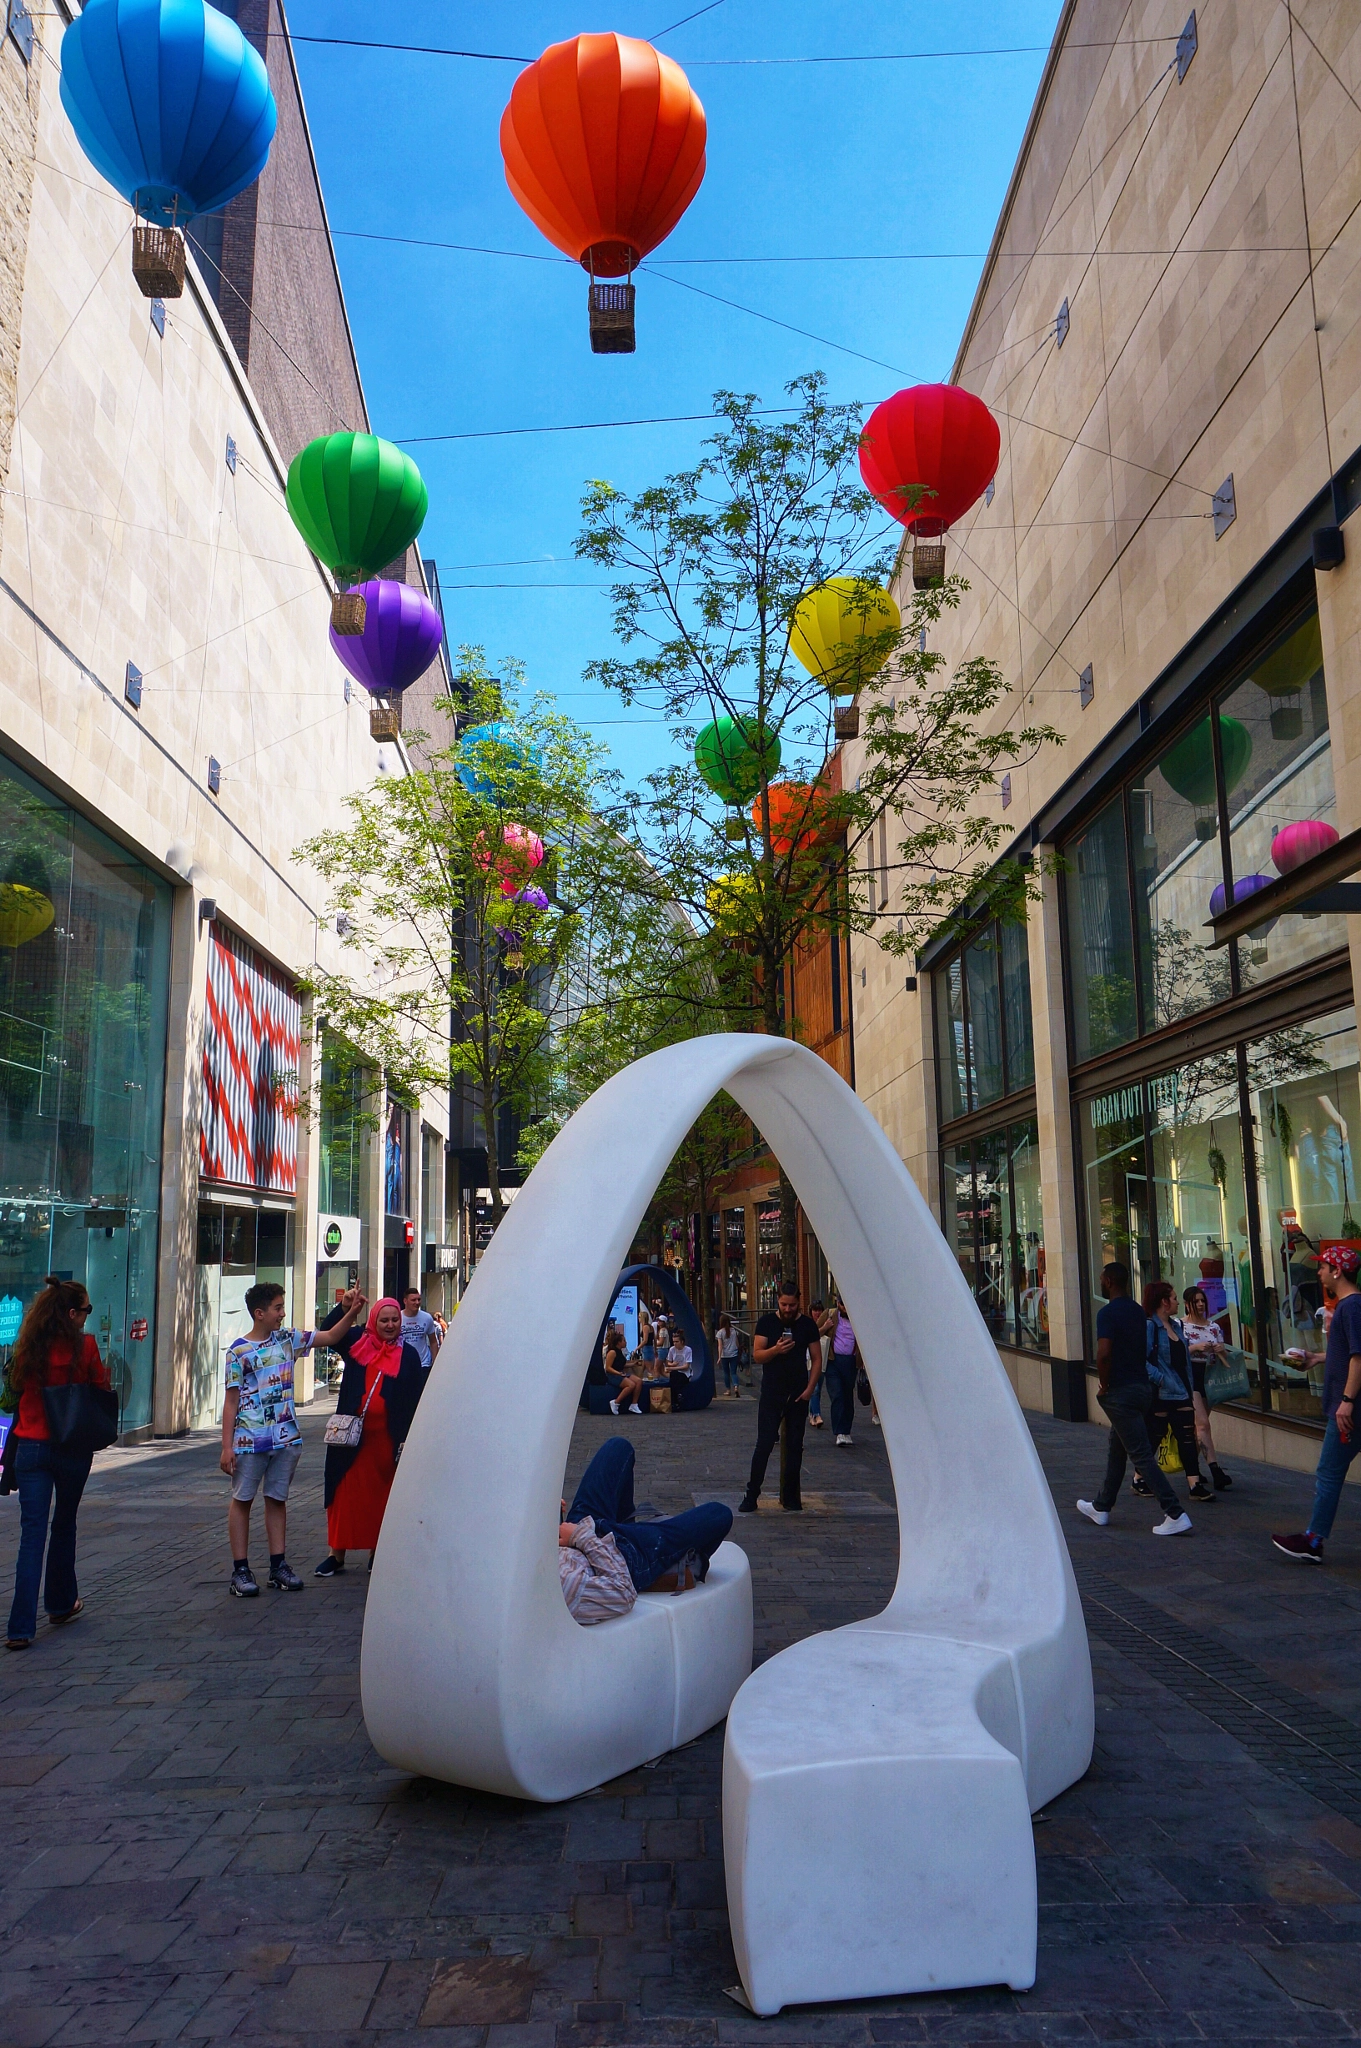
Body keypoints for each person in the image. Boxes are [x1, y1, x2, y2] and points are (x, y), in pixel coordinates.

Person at [222, 1280, 366, 1598]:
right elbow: (230, 1401)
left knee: (277, 1499)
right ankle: (240, 1570)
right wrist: (226, 1445)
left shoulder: (288, 1340)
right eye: (277, 1308)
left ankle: (278, 1565)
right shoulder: (238, 1351)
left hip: (285, 1439)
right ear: (259, 1313)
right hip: (249, 1441)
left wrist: (352, 1312)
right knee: (242, 1500)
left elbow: (328, 1337)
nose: (282, 1314)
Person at [1, 1278, 109, 1648]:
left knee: (31, 1536)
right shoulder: (87, 1347)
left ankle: (19, 1628)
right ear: (72, 1313)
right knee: (64, 1524)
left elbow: (9, 1396)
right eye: (86, 1311)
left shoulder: (27, 1347)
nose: (87, 1318)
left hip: (30, 1447)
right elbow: (102, 1388)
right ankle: (61, 1604)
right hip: (72, 1448)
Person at [559, 1436, 733, 1621]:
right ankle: (660, 1564)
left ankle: (626, 1527)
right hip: (623, 1556)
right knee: (718, 1515)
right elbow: (623, 1592)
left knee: (618, 1447)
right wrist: (582, 1537)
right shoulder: (560, 1594)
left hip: (579, 1529)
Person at [1077, 1262, 1193, 1536]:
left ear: (1107, 1281)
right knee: (1117, 1447)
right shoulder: (1138, 1313)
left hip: (1121, 1391)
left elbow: (1104, 1353)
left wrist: (1104, 1384)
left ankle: (1174, 1512)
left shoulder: (1107, 1313)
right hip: (1142, 1388)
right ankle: (1102, 1506)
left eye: (1102, 1279)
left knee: (1140, 1454)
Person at [315, 1296, 426, 1577]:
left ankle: (378, 1552)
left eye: (394, 1320)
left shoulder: (409, 1354)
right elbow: (329, 1333)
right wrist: (345, 1309)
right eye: (384, 1320)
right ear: (373, 1320)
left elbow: (415, 1398)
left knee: (384, 1497)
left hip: (387, 1441)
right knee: (342, 1494)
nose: (389, 1325)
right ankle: (335, 1554)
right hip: (351, 1439)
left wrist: (411, 1437)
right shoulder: (355, 1342)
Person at [1273, 1246, 1361, 1563]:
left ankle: (1313, 1540)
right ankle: (1313, 1538)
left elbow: (1358, 1358)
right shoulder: (1350, 1306)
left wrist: (1347, 1402)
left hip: (1349, 1412)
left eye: (1322, 1266)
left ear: (1337, 1271)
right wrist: (1315, 1358)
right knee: (1330, 1472)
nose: (1318, 1272)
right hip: (1348, 1408)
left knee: (1328, 1472)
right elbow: (1348, 1352)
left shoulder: (1351, 1308)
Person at [738, 1281, 826, 1514]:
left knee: (795, 1446)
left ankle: (790, 1496)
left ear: (799, 1303)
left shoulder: (807, 1325)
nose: (788, 1309)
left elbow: (817, 1358)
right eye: (784, 1305)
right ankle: (752, 1494)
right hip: (772, 1393)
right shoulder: (767, 1323)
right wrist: (776, 1350)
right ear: (777, 1301)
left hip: (798, 1394)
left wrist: (810, 1389)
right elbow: (757, 1355)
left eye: (792, 1305)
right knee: (764, 1444)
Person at [1141, 1280, 1214, 1504]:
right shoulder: (1150, 1326)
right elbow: (1140, 1360)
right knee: (1156, 1435)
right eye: (1173, 1299)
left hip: (1182, 1390)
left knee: (1186, 1437)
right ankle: (1139, 1475)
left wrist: (1189, 1385)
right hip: (1162, 1393)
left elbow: (1184, 1361)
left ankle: (1194, 1483)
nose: (1176, 1303)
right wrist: (1160, 1379)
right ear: (1164, 1302)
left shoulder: (1177, 1326)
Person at [1181, 1284, 1233, 1491]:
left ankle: (1192, 1469)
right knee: (1202, 1424)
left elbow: (1224, 1357)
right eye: (1196, 1302)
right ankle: (1215, 1469)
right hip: (1191, 1374)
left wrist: (1221, 1349)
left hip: (1209, 1375)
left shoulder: (1213, 1327)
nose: (1201, 1305)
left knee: (1198, 1427)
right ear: (1187, 1305)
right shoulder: (1180, 1325)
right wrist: (1194, 1347)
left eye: (1203, 1301)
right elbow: (1175, 1352)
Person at [825, 1297, 859, 1445]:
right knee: (837, 1394)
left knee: (847, 1396)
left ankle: (846, 1431)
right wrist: (825, 1327)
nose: (845, 1308)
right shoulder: (830, 1314)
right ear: (838, 1303)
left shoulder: (858, 1317)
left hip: (851, 1361)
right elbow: (813, 1333)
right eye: (843, 1305)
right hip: (833, 1361)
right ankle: (839, 1431)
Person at [399, 1286, 442, 1373]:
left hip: (424, 1364)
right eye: (413, 1300)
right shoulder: (398, 1318)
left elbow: (433, 1341)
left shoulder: (426, 1317)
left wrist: (435, 1364)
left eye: (419, 1299)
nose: (417, 1302)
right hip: (403, 1364)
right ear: (405, 1301)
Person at [604, 1323, 643, 1415]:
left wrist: (633, 1364)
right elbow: (608, 1368)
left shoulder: (620, 1352)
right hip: (612, 1375)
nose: (626, 1342)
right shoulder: (612, 1352)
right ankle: (616, 1402)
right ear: (618, 1342)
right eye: (624, 1341)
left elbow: (622, 1364)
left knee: (639, 1381)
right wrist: (618, 1373)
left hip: (620, 1373)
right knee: (631, 1385)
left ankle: (634, 1404)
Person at [807, 1299, 827, 1427]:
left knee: (817, 1389)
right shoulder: (808, 1324)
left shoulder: (825, 1322)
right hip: (809, 1360)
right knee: (814, 1388)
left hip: (822, 1359)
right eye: (815, 1310)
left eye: (819, 1310)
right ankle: (817, 1414)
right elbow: (812, 1336)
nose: (817, 1313)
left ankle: (811, 1413)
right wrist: (824, 1328)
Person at [667, 1331, 699, 1406]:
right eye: (674, 1342)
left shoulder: (687, 1350)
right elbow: (668, 1362)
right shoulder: (672, 1349)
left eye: (677, 1342)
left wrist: (672, 1368)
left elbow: (686, 1366)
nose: (675, 1344)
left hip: (685, 1373)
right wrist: (672, 1364)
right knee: (673, 1377)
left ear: (682, 1342)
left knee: (676, 1377)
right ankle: (676, 1399)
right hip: (675, 1372)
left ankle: (677, 1399)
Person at [716, 1313, 741, 1397]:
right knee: (734, 1372)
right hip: (734, 1354)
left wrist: (719, 1357)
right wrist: (738, 1351)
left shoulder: (720, 1333)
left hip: (725, 1355)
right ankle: (736, 1387)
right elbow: (737, 1343)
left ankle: (728, 1390)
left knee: (726, 1373)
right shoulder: (734, 1331)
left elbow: (720, 1346)